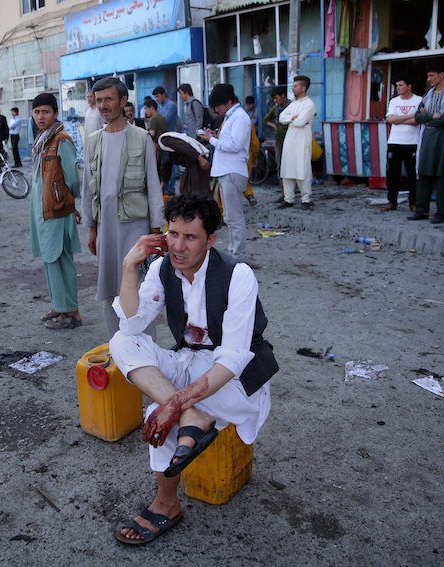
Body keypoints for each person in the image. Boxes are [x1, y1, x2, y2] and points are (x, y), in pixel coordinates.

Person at [109, 194, 277, 545]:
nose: (178, 246)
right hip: (189, 360)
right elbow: (131, 325)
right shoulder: (162, 268)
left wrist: (174, 402)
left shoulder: (237, 275)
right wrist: (128, 267)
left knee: (158, 410)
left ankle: (165, 504)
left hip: (235, 378)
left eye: (190, 237)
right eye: (173, 234)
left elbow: (232, 357)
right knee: (120, 342)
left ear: (210, 240)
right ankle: (192, 417)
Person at [85, 76, 164, 338]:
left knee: (137, 290)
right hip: (106, 229)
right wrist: (92, 229)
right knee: (109, 289)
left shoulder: (141, 138)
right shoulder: (94, 140)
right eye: (99, 101)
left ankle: (146, 351)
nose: (104, 105)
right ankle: (118, 349)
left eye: (108, 99)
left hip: (136, 228)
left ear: (123, 100)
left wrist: (157, 229)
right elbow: (89, 188)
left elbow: (153, 184)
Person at [29, 93, 83, 330]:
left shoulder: (61, 139)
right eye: (37, 112)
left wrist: (67, 202)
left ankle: (70, 312)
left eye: (45, 112)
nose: (41, 117)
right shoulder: (43, 139)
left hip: (56, 209)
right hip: (43, 209)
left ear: (55, 113)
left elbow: (73, 178)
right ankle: (61, 306)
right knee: (51, 260)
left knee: (58, 260)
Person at [198, 84, 251, 262]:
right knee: (229, 216)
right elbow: (229, 142)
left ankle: (238, 256)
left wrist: (211, 139)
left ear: (228, 102)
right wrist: (215, 137)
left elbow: (234, 146)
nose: (216, 110)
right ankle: (234, 253)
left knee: (234, 217)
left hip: (232, 171)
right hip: (227, 171)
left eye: (218, 106)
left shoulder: (240, 117)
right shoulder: (232, 117)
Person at [409, 61, 444, 224]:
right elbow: (418, 117)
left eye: (432, 75)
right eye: (428, 75)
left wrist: (428, 117)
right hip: (427, 137)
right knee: (423, 173)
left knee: (440, 174)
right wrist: (431, 116)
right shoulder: (428, 95)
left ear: (441, 75)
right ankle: (421, 210)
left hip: (443, 137)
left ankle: (441, 212)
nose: (429, 79)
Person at [382, 75, 422, 211]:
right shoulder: (394, 101)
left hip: (412, 143)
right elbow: (390, 119)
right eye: (397, 85)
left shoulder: (419, 100)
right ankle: (392, 201)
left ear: (409, 86)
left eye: (401, 85)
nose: (398, 88)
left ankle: (414, 203)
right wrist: (410, 116)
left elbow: (418, 120)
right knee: (392, 173)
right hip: (394, 142)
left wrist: (399, 119)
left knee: (412, 174)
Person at [277, 76, 316, 210]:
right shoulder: (293, 104)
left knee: (302, 168)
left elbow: (301, 122)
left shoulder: (309, 104)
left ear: (303, 88)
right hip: (290, 140)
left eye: (296, 86)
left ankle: (306, 199)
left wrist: (292, 120)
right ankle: (288, 198)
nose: (293, 88)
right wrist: (293, 118)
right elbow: (281, 118)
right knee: (287, 167)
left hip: (302, 140)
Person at [263, 86, 290, 197]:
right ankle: (284, 194)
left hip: (291, 138)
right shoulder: (275, 108)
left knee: (291, 165)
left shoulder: (292, 106)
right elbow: (265, 119)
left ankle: (290, 194)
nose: (275, 101)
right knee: (280, 165)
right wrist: (274, 126)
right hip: (279, 139)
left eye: (276, 98)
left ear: (283, 96)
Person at [81, 91, 103, 206]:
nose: (89, 99)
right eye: (87, 97)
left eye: (90, 97)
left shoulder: (99, 111)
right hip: (89, 143)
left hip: (98, 142)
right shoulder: (88, 110)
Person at [143, 100, 169, 191]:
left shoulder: (154, 119)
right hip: (164, 147)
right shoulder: (162, 117)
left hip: (157, 149)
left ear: (152, 108)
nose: (145, 111)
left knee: (156, 171)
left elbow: (152, 134)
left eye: (146, 109)